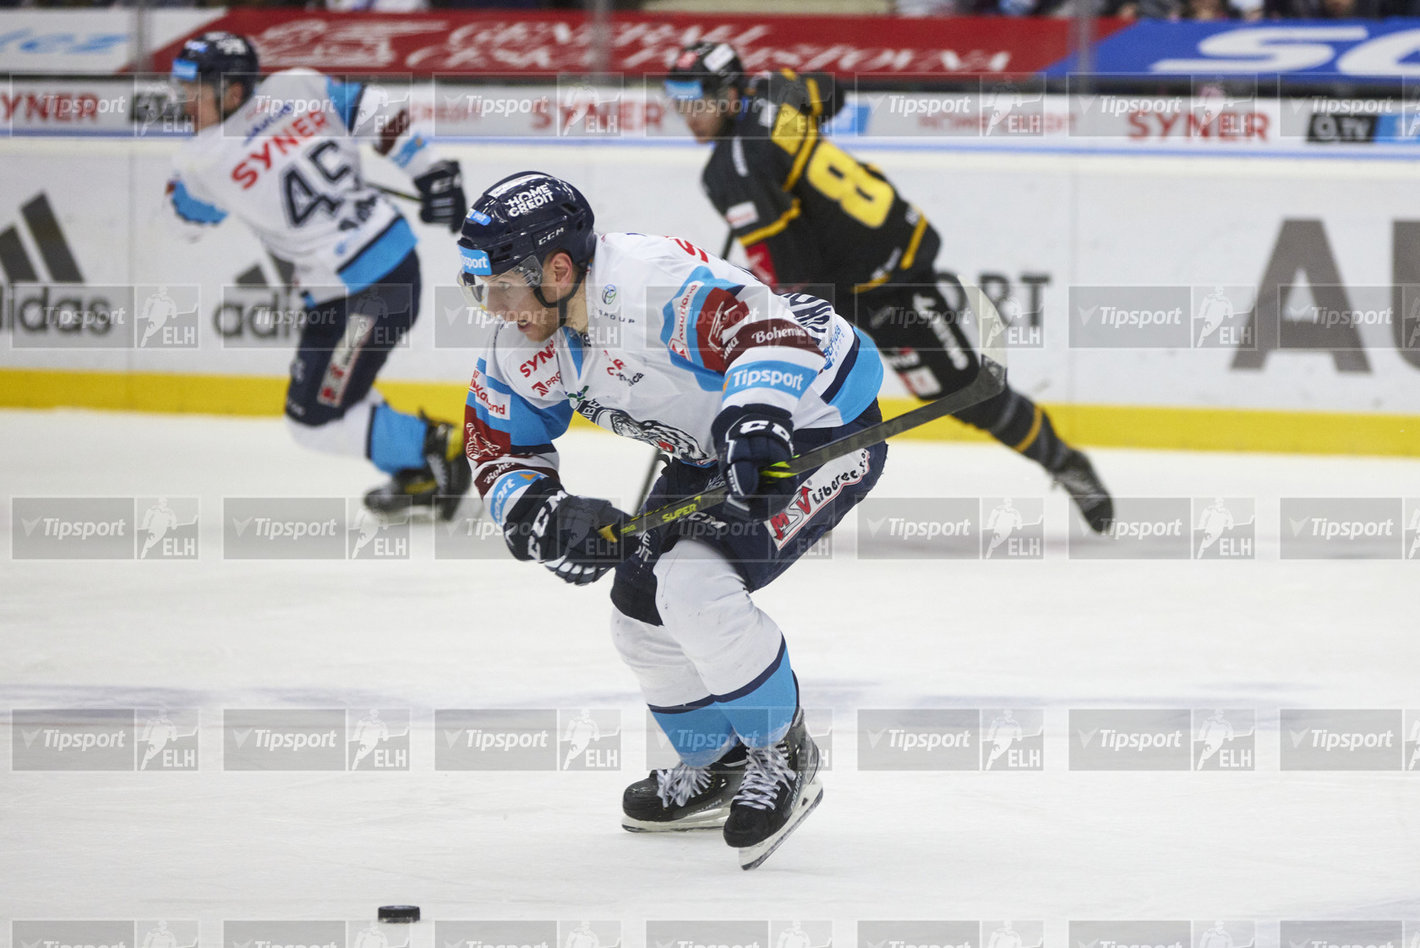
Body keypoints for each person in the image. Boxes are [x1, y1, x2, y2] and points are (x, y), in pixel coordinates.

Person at [457, 171, 891, 868]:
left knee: (693, 586)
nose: (494, 306)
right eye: (481, 287)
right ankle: (715, 766)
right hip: (710, 443)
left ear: (559, 268)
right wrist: (541, 516)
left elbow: (772, 329)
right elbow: (497, 444)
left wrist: (756, 424)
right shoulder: (523, 342)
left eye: (503, 284)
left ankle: (784, 751)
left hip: (813, 423)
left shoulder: (650, 288)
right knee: (637, 609)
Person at [664, 42, 1114, 533]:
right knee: (785, 384)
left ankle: (1066, 462)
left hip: (888, 279)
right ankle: (760, 499)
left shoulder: (732, 170)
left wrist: (785, 336)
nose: (687, 113)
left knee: (966, 393)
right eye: (678, 98)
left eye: (697, 99)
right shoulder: (775, 90)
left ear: (730, 94)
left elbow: (794, 273)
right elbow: (831, 93)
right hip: (873, 255)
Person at [163, 31, 471, 519]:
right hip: (387, 264)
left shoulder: (201, 160)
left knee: (314, 419)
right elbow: (380, 111)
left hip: (362, 292)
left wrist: (193, 177)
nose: (185, 103)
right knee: (343, 391)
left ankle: (440, 449)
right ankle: (418, 469)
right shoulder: (298, 86)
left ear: (233, 91)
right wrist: (431, 173)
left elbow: (187, 224)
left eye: (194, 91)